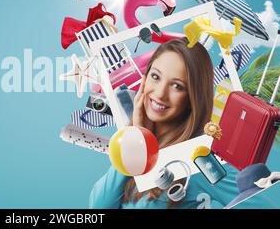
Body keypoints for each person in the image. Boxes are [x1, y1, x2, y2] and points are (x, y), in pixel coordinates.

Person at [89, 39, 242, 209]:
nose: (160, 93)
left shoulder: (201, 157)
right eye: (155, 76)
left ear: (193, 97)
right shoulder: (137, 143)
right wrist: (135, 135)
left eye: (177, 86)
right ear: (144, 80)